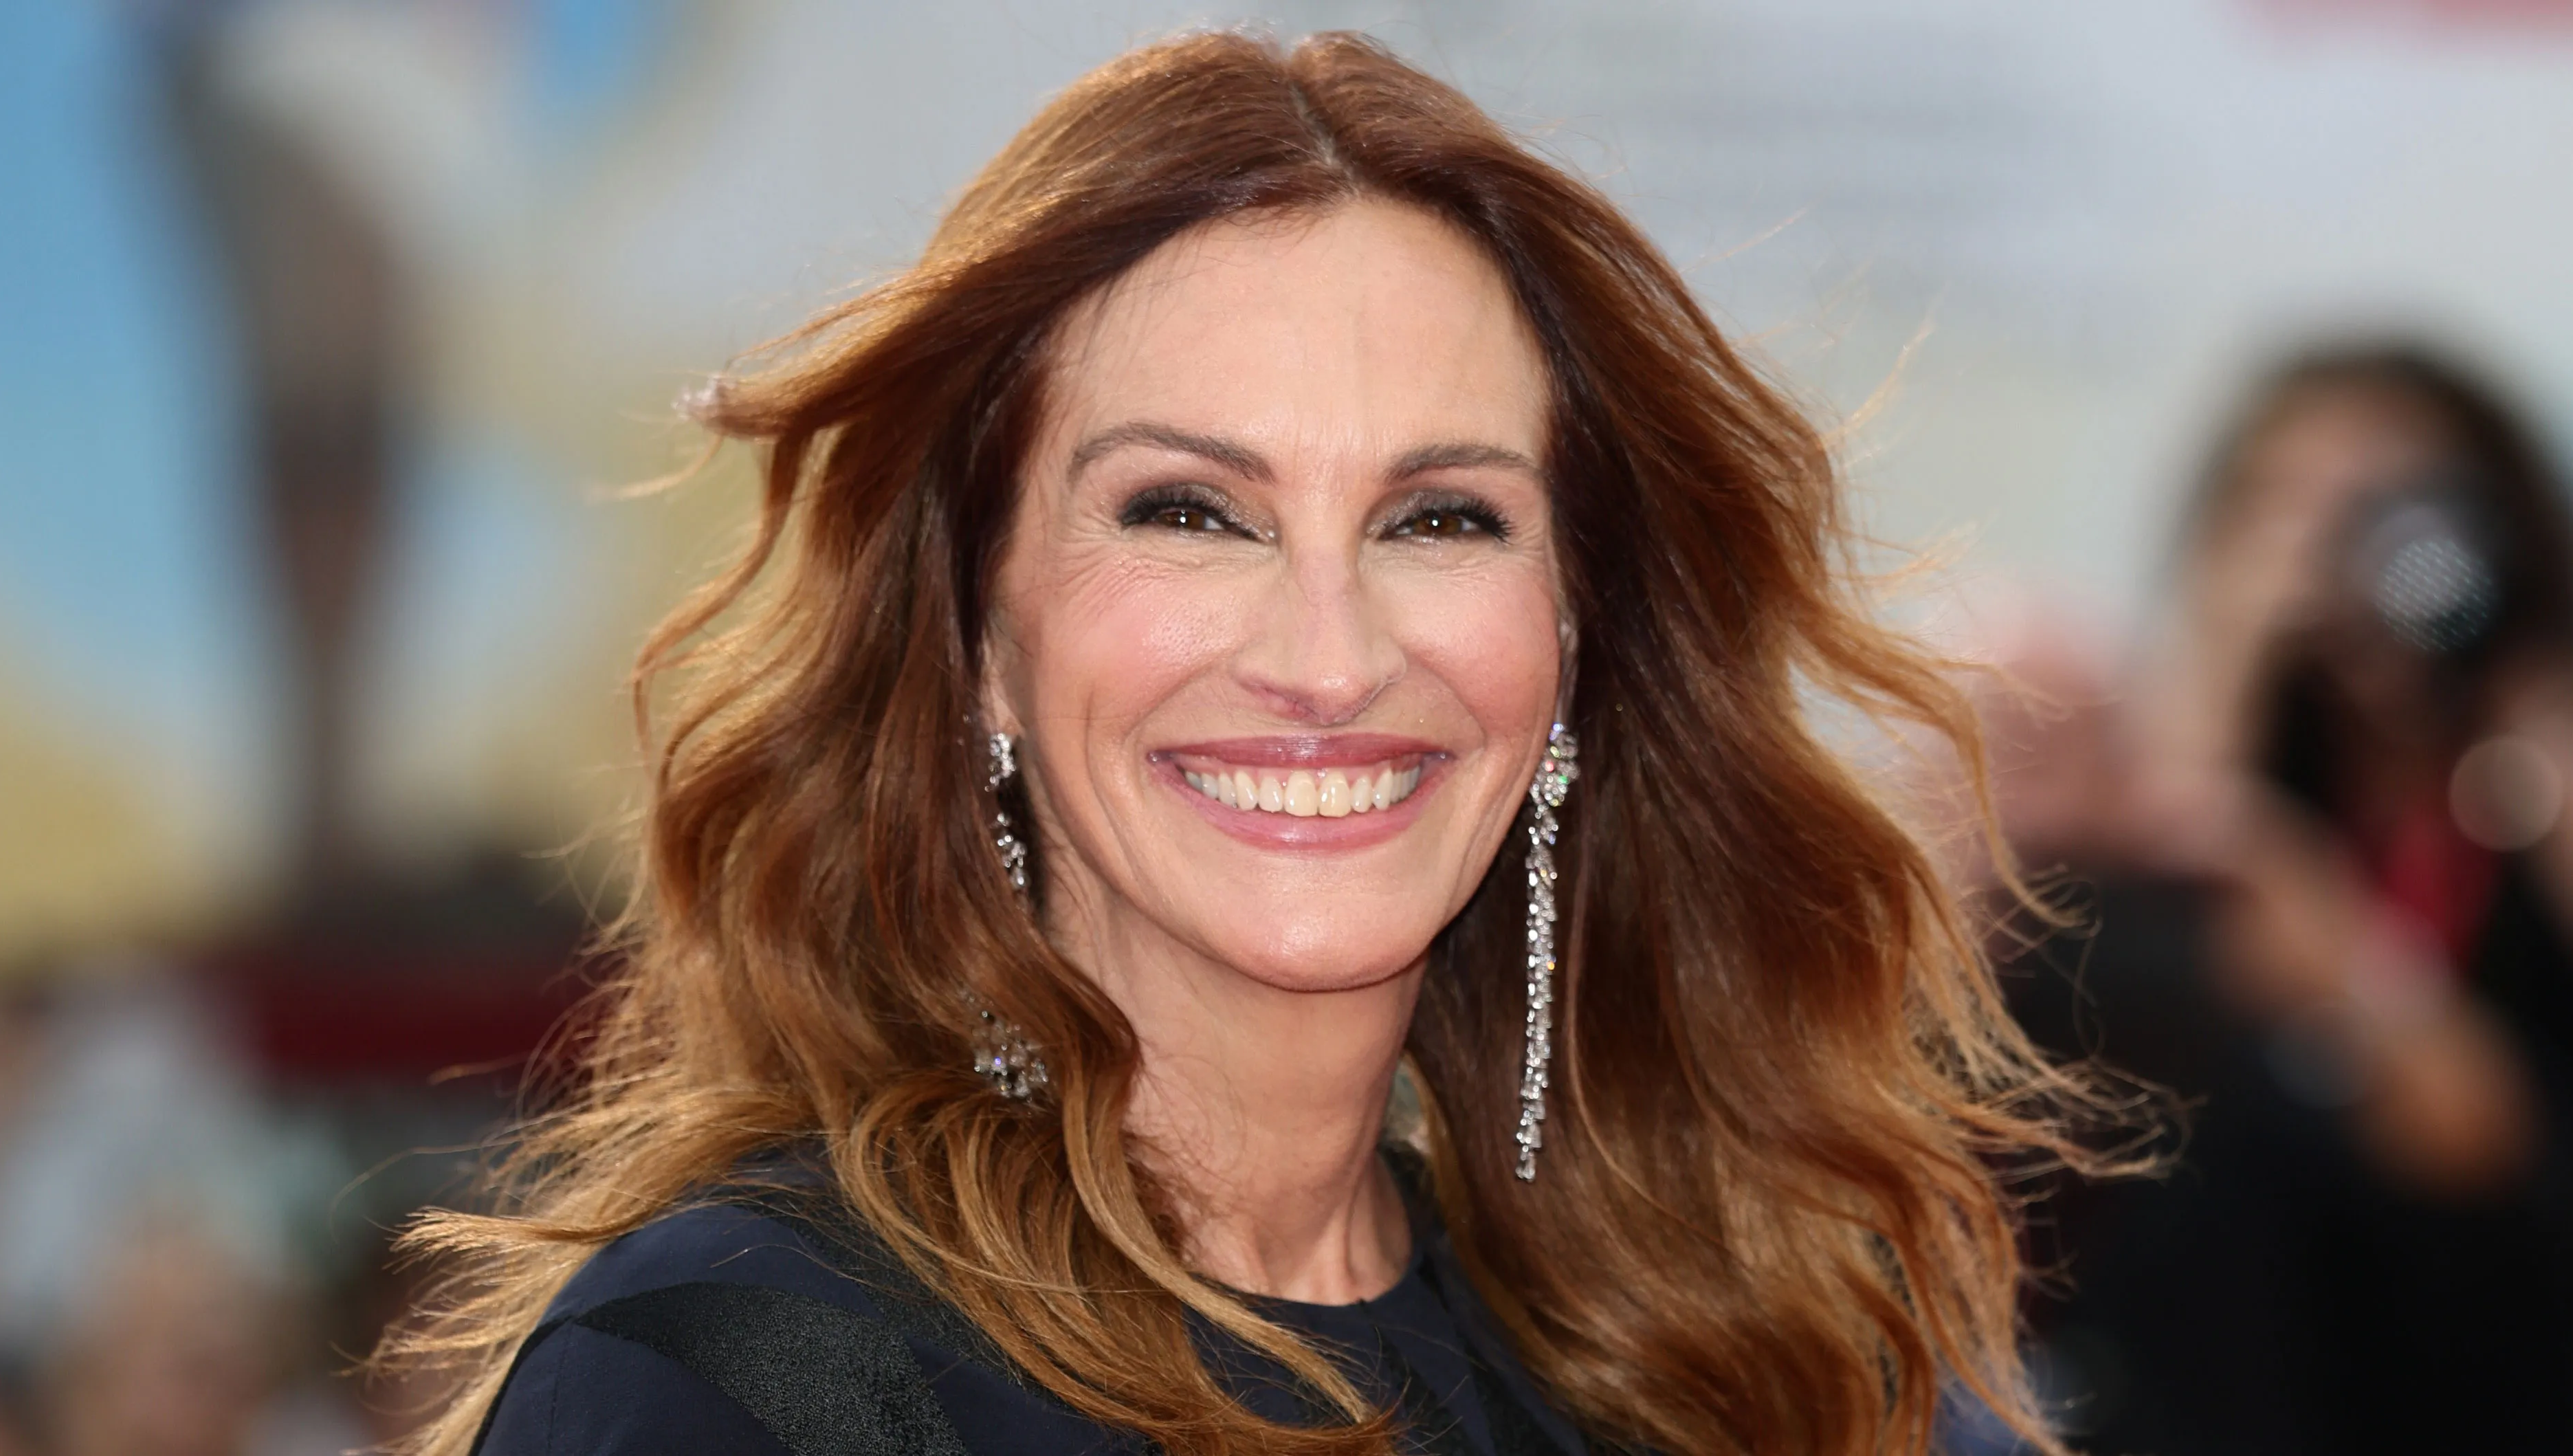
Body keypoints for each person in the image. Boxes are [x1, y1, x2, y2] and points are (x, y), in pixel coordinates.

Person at [388, 32, 2110, 1456]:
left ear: (1572, 650)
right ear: (982, 639)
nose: (1328, 657)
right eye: (1191, 512)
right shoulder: (754, 1373)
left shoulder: (1718, 1380)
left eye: (1440, 519)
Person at [1984, 345, 2573, 1453]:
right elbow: (2104, 1003)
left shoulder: (2526, 778)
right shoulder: (2205, 794)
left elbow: (2491, 1146)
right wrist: (2228, 660)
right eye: (2280, 503)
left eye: (2386, 505)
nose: (2339, 551)